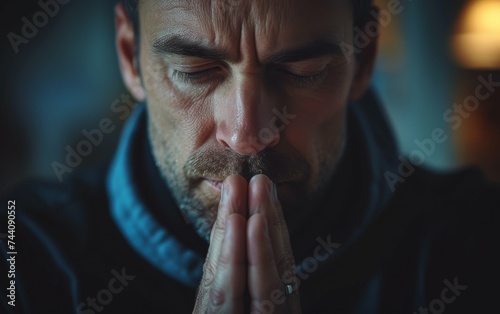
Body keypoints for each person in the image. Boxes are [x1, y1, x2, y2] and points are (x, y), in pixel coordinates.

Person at [2, 0, 499, 313]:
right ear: (131, 57)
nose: (247, 134)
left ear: (363, 59)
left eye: (302, 71)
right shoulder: (21, 251)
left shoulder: (478, 243)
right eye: (196, 71)